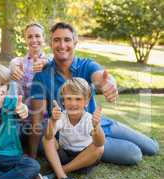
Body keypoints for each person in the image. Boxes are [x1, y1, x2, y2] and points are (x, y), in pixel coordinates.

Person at [30, 22, 159, 165]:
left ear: (75, 42)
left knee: (152, 148)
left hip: (99, 122)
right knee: (134, 154)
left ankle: (113, 132)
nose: (62, 45)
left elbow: (100, 77)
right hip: (78, 136)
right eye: (57, 40)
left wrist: (109, 84)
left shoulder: (86, 65)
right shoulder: (42, 75)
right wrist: (32, 156)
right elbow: (37, 119)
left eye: (67, 40)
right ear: (51, 43)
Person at [43, 77, 105, 179]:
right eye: (69, 99)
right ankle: (63, 177)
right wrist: (53, 121)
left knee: (99, 148)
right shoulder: (62, 117)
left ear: (86, 101)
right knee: (46, 139)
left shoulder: (88, 119)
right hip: (63, 156)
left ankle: (58, 174)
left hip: (83, 160)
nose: (73, 103)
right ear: (63, 101)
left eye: (78, 99)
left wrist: (97, 126)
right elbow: (49, 136)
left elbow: (100, 142)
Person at [9, 22, 49, 152]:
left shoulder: (51, 61)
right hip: (23, 120)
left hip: (43, 122)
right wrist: (13, 70)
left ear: (44, 38)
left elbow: (52, 63)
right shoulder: (18, 62)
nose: (34, 40)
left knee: (44, 146)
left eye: (37, 36)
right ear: (25, 39)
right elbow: (12, 67)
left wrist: (47, 64)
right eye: (30, 37)